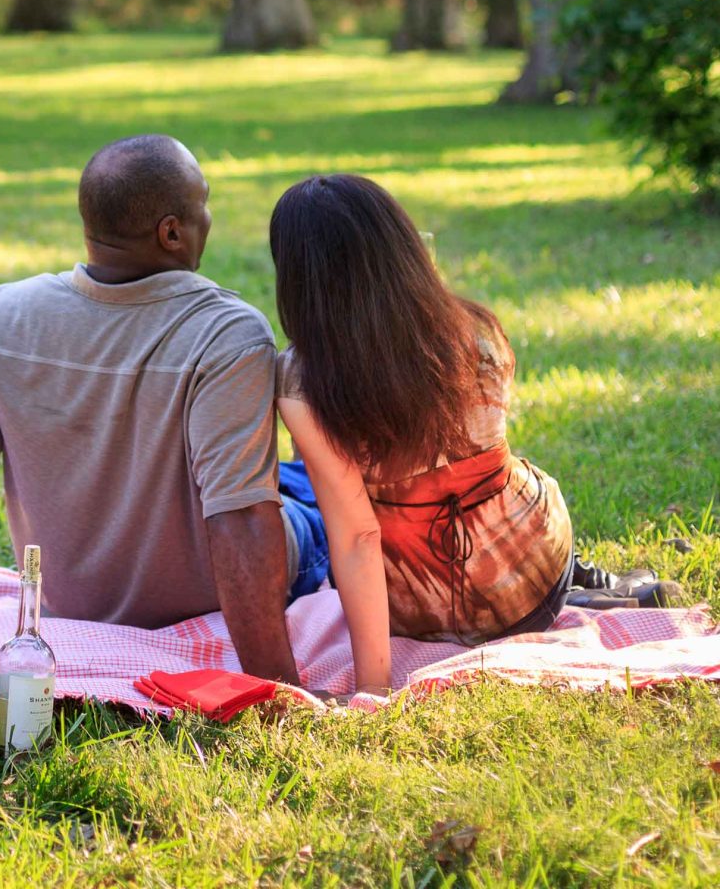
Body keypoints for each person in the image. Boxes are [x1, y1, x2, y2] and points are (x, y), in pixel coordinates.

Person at [0, 135, 326, 683]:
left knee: (292, 478)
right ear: (172, 232)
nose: (209, 218)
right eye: (205, 204)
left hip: (69, 603)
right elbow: (240, 516)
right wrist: (277, 689)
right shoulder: (225, 333)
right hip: (205, 594)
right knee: (328, 497)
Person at [269, 174, 676, 696]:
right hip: (532, 573)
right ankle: (577, 584)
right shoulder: (473, 329)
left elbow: (358, 537)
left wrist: (372, 689)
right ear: (406, 251)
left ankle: (582, 589)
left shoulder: (302, 382)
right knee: (513, 479)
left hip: (418, 612)